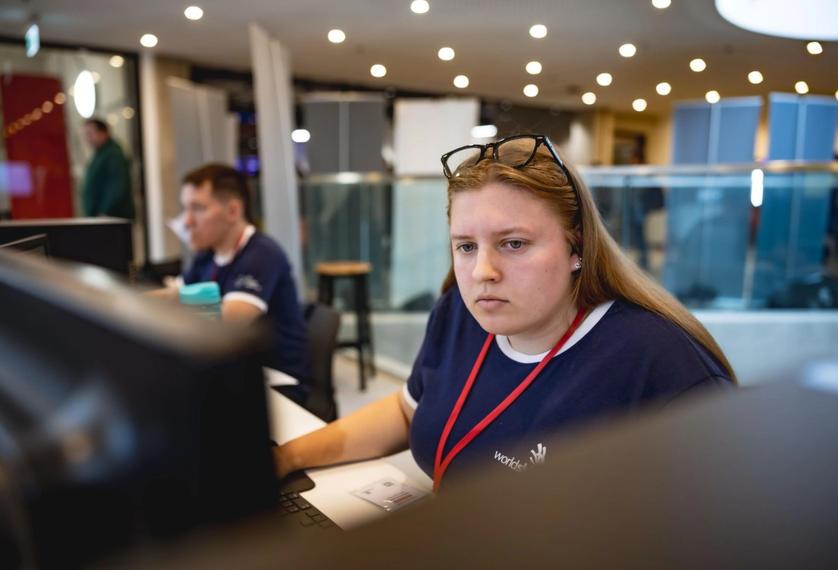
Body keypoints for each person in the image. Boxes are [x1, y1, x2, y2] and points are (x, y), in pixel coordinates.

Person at [275, 134, 734, 491]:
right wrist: (287, 457)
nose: (483, 272)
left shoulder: (663, 364)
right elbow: (407, 411)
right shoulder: (458, 312)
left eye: (513, 244)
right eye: (466, 246)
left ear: (577, 245)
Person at [154, 163, 312, 398]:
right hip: (227, 372)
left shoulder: (262, 254)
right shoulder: (207, 254)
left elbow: (227, 321)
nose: (187, 222)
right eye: (185, 209)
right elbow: (174, 294)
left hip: (276, 384)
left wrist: (169, 306)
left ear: (233, 211)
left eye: (197, 208)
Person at [81, 118, 135, 219]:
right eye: (86, 135)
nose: (88, 138)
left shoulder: (113, 154)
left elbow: (117, 185)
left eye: (90, 133)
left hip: (111, 217)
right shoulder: (101, 153)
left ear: (103, 133)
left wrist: (105, 211)